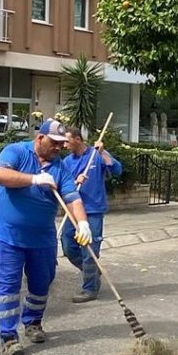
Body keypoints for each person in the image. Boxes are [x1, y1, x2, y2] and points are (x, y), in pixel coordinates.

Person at [0, 119, 91, 355]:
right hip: (8, 237)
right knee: (8, 287)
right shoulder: (16, 151)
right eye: (54, 143)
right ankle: (9, 338)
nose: (58, 148)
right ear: (40, 138)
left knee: (42, 283)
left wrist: (83, 223)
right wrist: (33, 179)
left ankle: (33, 322)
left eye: (61, 144)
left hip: (42, 239)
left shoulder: (61, 168)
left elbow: (72, 198)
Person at [60, 126, 123, 303]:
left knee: (89, 250)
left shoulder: (96, 155)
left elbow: (117, 170)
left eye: (67, 140)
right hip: (72, 211)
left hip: (93, 210)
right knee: (68, 247)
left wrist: (103, 153)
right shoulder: (66, 162)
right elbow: (60, 185)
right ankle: (94, 273)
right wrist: (75, 181)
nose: (64, 144)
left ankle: (90, 289)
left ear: (78, 139)